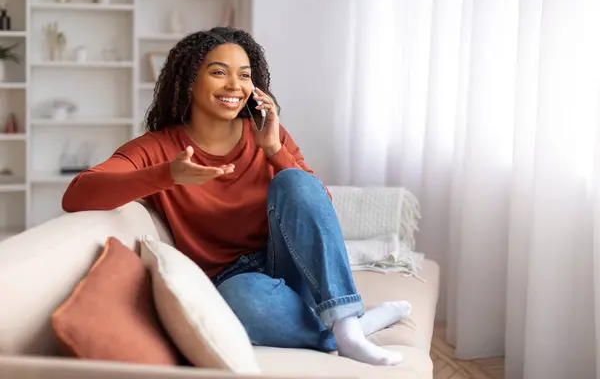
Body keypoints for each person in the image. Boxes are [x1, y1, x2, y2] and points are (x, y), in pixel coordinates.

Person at [62, 27, 411, 366]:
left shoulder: (266, 132)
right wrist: (166, 175)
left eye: (244, 75)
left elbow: (318, 209)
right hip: (235, 282)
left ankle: (346, 324)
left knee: (295, 181)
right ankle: (350, 330)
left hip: (294, 265)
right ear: (188, 83)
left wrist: (274, 150)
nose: (235, 85)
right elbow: (77, 195)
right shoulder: (158, 148)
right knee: (239, 298)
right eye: (219, 72)